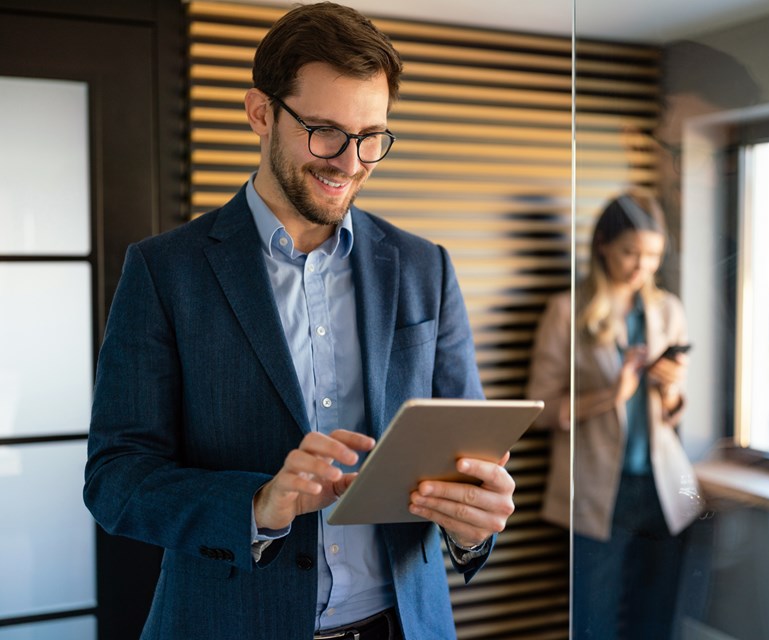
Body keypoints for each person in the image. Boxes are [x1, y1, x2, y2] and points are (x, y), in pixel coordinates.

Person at [83, 3, 515, 639]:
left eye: (372, 137)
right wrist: (259, 504)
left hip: (402, 626)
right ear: (261, 112)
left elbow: (465, 457)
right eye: (326, 132)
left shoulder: (427, 267)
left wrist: (474, 525)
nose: (350, 161)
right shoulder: (164, 271)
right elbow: (116, 477)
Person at [527, 190, 700, 639]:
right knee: (592, 623)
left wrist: (671, 390)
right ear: (603, 244)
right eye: (631, 253)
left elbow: (676, 414)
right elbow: (539, 410)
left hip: (663, 491)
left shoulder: (668, 310)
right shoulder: (566, 311)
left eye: (653, 256)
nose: (642, 267)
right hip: (598, 491)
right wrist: (612, 395)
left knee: (658, 621)